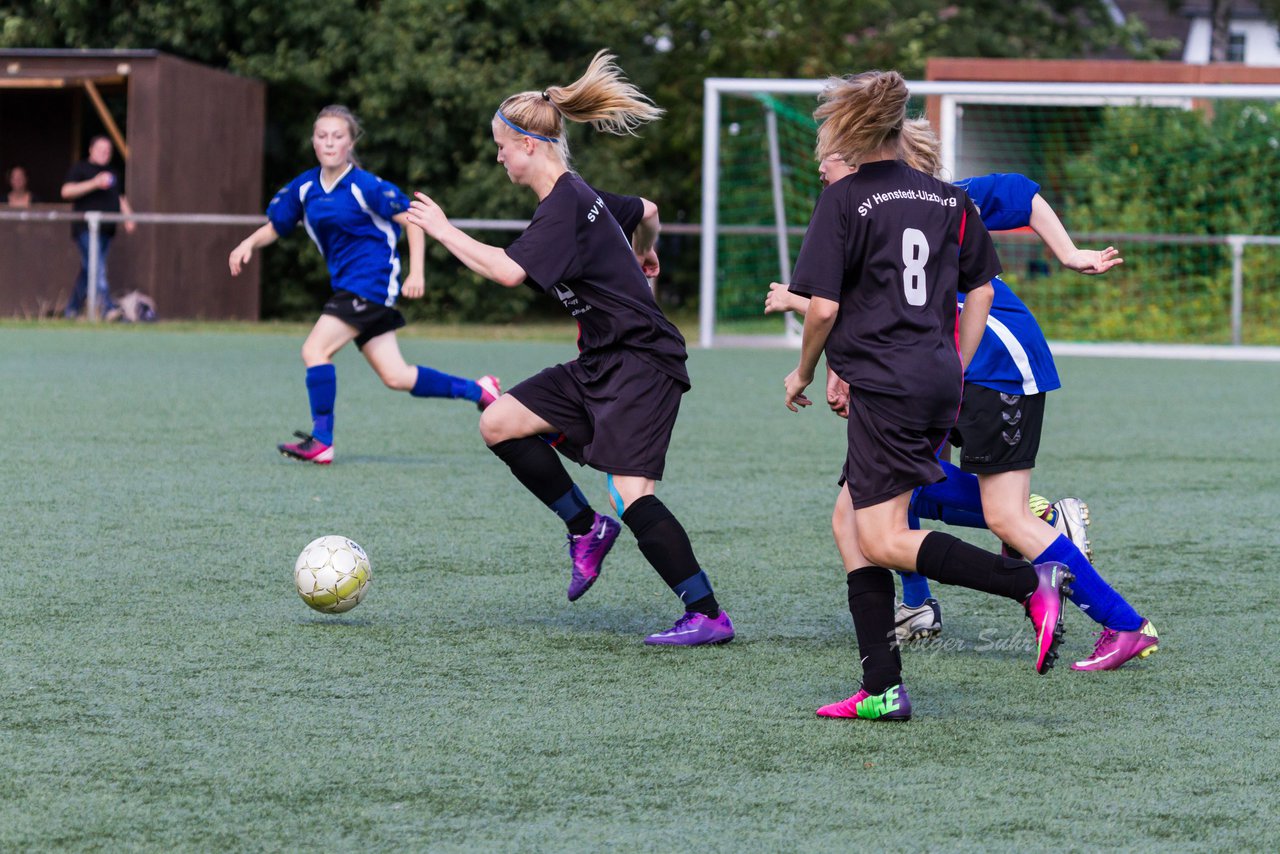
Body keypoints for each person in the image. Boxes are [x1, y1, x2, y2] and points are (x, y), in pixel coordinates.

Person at [771, 120, 1159, 673]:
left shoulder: (948, 200)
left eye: (833, 153)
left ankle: (1118, 616)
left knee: (1000, 516)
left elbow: (1021, 194)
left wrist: (1069, 253)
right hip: (937, 374)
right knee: (875, 501)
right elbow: (870, 307)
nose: (823, 165)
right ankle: (914, 610)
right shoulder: (866, 206)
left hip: (992, 366)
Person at [405, 51, 734, 646]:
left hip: (642, 362)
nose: (498, 155)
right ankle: (586, 528)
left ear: (528, 145)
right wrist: (646, 250)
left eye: (502, 145)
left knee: (634, 497)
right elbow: (649, 210)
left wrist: (444, 229)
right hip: (602, 361)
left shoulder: (562, 206)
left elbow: (508, 272)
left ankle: (706, 612)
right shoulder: (582, 196)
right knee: (501, 420)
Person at [782, 70, 1073, 722]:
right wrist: (956, 364)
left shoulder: (846, 200)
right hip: (940, 378)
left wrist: (804, 369)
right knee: (850, 523)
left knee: (879, 537)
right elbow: (982, 293)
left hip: (886, 383)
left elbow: (825, 306)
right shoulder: (949, 200)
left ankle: (1030, 582)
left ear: (851, 130)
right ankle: (882, 683)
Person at [229, 105, 500, 465]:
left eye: (337, 136)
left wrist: (416, 273)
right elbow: (277, 226)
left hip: (371, 283)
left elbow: (413, 221)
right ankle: (480, 391)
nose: (329, 143)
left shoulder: (365, 186)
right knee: (396, 376)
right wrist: (248, 242)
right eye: (322, 136)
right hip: (350, 287)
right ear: (313, 141)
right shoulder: (305, 187)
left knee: (314, 351)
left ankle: (322, 441)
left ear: (350, 143)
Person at [61, 137, 136, 318]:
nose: (105, 153)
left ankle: (71, 310)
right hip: (86, 230)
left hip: (107, 231)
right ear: (91, 150)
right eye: (101, 149)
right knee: (97, 268)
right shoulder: (81, 169)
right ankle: (108, 309)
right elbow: (66, 192)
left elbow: (119, 197)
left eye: (108, 150)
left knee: (89, 271)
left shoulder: (113, 172)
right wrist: (94, 183)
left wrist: (129, 217)